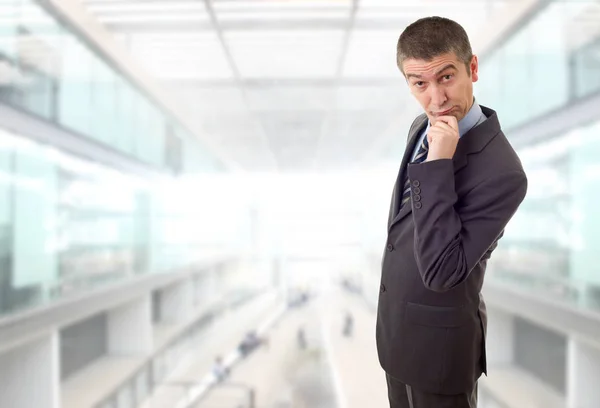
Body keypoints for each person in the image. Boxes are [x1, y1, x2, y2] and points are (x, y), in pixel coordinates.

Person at [376, 17, 528, 408]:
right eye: (420, 84)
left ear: (472, 69)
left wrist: (438, 165)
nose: (436, 99)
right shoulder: (419, 127)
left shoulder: (504, 173)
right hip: (397, 337)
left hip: (440, 352)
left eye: (446, 77)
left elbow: (443, 272)